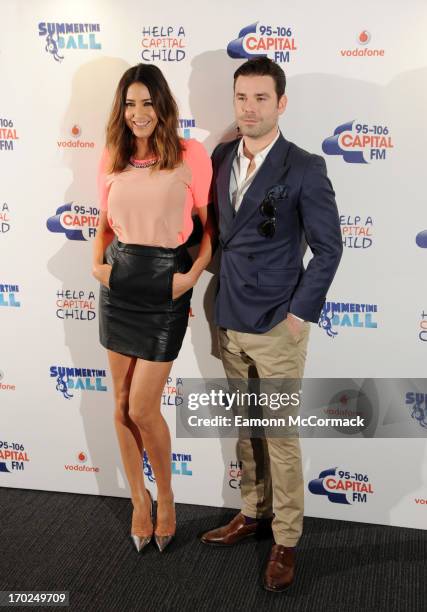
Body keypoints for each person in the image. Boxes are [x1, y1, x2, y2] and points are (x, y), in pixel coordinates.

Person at [200, 57, 343, 591]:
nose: (250, 108)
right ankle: (252, 513)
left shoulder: (305, 167)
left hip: (277, 325)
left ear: (281, 103)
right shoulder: (218, 157)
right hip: (228, 316)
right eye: (242, 98)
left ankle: (286, 539)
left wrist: (298, 315)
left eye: (261, 98)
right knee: (247, 428)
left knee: (280, 435)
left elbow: (329, 250)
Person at [93, 64, 213, 553]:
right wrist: (96, 266)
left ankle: (166, 495)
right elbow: (103, 223)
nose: (137, 114)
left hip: (166, 288)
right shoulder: (113, 156)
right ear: (121, 110)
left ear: (162, 105)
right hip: (119, 285)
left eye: (146, 102)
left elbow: (210, 228)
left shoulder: (191, 155)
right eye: (129, 103)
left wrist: (190, 275)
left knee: (144, 405)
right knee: (121, 405)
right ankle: (138, 501)